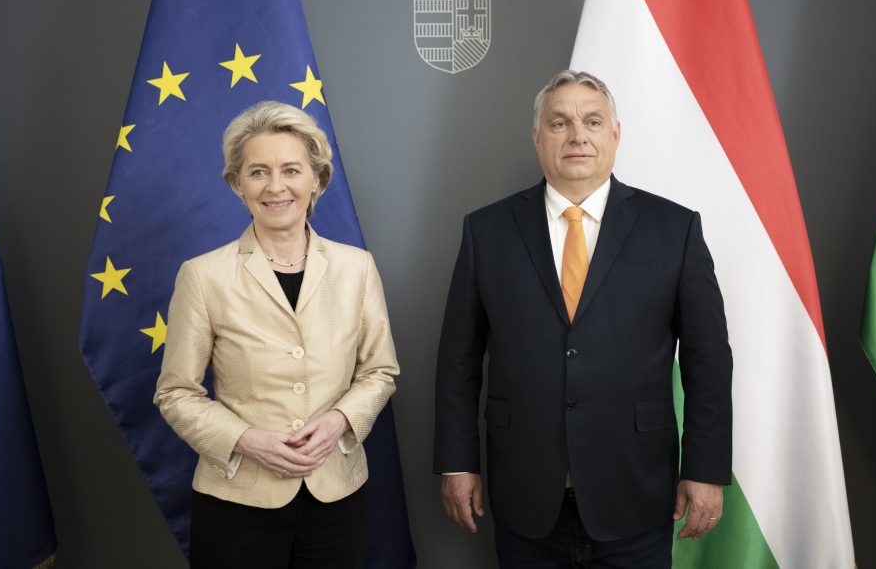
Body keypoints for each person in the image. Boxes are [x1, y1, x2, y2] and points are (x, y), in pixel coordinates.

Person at [433, 70, 732, 568]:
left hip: (636, 491)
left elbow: (709, 361)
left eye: (593, 121)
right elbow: (458, 360)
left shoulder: (674, 228)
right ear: (537, 137)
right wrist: (456, 462)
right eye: (559, 123)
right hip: (524, 495)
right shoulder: (487, 231)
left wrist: (705, 468)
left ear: (615, 134)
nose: (577, 135)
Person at [155, 101, 399, 568]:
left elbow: (380, 371)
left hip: (337, 495)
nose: (275, 186)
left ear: (317, 179)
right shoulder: (203, 276)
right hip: (237, 501)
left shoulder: (357, 268)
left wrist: (339, 421)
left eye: (291, 170)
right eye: (258, 172)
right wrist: (245, 439)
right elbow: (175, 393)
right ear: (237, 183)